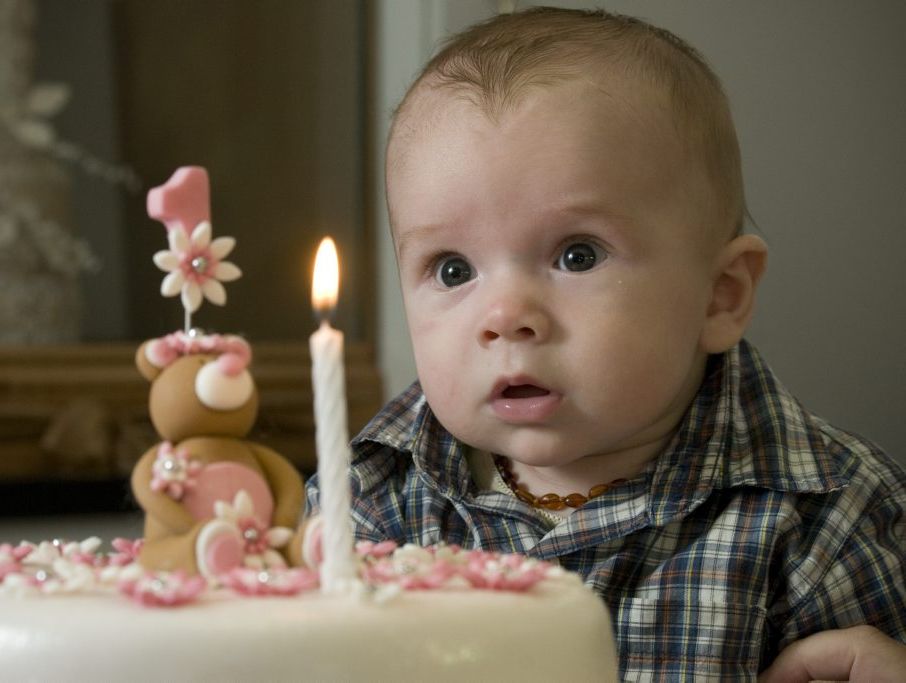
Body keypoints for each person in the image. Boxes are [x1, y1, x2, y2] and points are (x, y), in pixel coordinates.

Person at [305, 7, 906, 679]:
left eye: (578, 255)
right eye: (453, 269)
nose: (504, 316)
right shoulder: (365, 500)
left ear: (721, 295)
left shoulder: (827, 520)